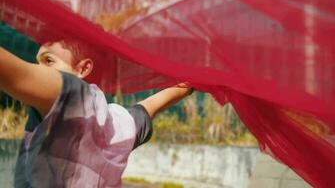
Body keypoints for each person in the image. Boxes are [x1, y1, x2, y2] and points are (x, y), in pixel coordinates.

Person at [0, 40, 193, 188]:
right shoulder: (117, 121)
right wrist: (195, 81)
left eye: (48, 61)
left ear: (83, 69)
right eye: (36, 63)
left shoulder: (68, 93)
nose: (39, 70)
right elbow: (151, 105)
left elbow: (17, 76)